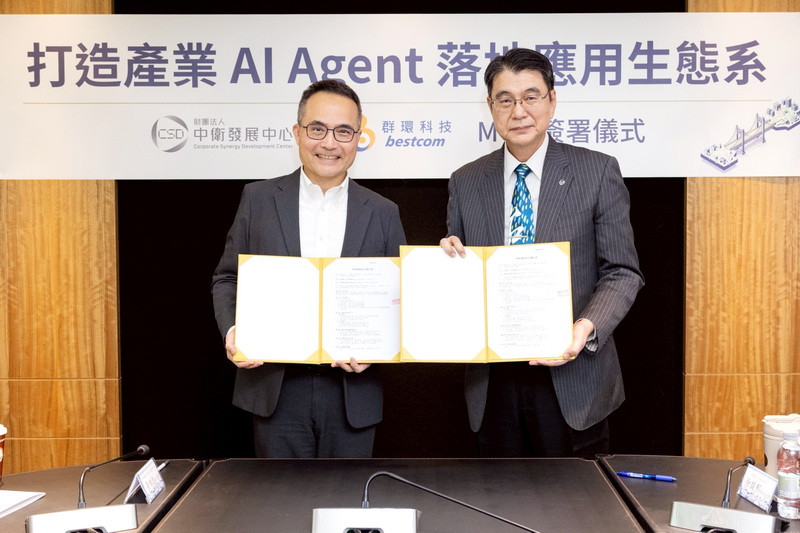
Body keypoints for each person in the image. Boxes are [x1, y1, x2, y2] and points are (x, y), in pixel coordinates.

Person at [440, 48, 644, 458]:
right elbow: (461, 272)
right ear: (490, 106)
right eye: (505, 99)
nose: (519, 111)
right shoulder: (465, 181)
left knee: (576, 497)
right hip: (492, 382)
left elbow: (623, 271)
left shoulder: (597, 171)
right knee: (499, 495)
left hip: (573, 378)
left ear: (551, 100)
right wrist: (446, 262)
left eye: (530, 97)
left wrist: (584, 329)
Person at [212, 79, 406, 458]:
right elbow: (227, 278)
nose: (329, 143)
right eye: (317, 129)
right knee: (280, 494)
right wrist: (236, 332)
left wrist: (380, 346)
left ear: (358, 138)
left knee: (347, 494)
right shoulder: (258, 199)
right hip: (275, 389)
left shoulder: (383, 212)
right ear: (298, 132)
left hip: (352, 393)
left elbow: (402, 296)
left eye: (343, 131)